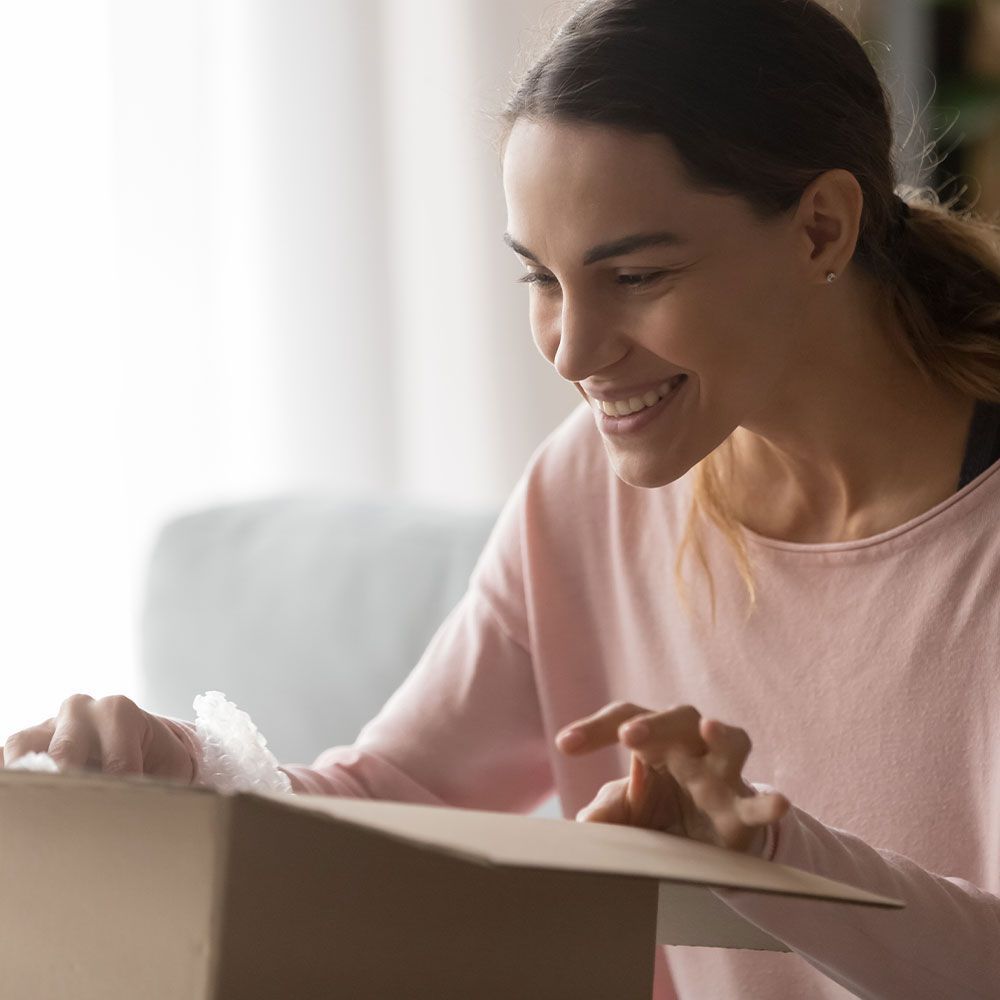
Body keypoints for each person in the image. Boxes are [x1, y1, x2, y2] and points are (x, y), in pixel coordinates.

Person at [4, 0, 1000, 996]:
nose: (572, 350)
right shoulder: (585, 487)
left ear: (820, 228)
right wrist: (177, 769)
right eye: (542, 280)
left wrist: (777, 857)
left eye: (637, 275)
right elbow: (395, 796)